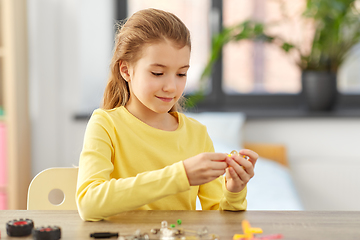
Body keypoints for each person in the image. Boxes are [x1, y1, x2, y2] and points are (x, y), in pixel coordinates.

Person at [76, 8, 258, 221]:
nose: (172, 87)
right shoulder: (106, 124)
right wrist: (181, 175)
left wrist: (234, 190)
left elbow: (219, 218)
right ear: (126, 70)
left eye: (181, 74)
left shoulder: (197, 134)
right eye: (158, 73)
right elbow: (89, 203)